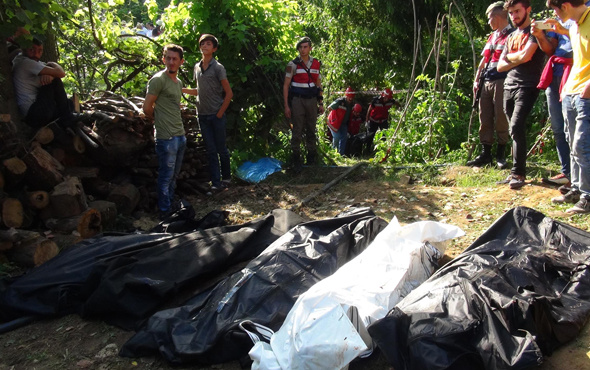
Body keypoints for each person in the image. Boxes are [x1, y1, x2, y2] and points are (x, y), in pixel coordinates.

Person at [496, 0, 546, 189]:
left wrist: (510, 57)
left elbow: (527, 56)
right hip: (509, 84)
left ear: (528, 9)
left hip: (528, 85)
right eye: (511, 13)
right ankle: (515, 172)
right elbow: (500, 66)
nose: (514, 16)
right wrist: (514, 58)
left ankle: (519, 172)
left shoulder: (535, 33)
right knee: (513, 129)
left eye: (517, 11)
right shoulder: (511, 36)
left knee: (517, 126)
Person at [546, 0, 590, 213]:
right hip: (572, 90)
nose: (554, 13)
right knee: (572, 143)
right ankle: (577, 189)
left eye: (555, 9)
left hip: (586, 93)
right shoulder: (574, 25)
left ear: (565, 5)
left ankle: (589, 196)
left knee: (583, 144)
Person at [183, 34, 233, 192]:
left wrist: (220, 113)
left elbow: (229, 93)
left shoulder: (218, 67)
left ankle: (226, 179)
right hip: (202, 115)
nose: (204, 46)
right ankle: (216, 183)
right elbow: (199, 91)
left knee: (221, 149)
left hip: (216, 115)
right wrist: (181, 89)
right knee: (210, 150)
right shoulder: (197, 67)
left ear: (214, 48)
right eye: (202, 44)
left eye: (208, 44)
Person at [142, 44, 187, 220]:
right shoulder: (158, 79)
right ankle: (164, 211)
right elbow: (147, 107)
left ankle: (170, 205)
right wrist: (160, 121)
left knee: (174, 175)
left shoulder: (178, 83)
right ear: (163, 59)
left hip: (179, 134)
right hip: (166, 137)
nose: (171, 62)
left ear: (181, 62)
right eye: (168, 58)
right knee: (166, 176)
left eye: (175, 59)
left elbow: (173, 106)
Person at [467, 2, 514, 168]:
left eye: (490, 18)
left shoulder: (513, 35)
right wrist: (476, 78)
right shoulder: (493, 36)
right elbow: (484, 59)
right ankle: (485, 154)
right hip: (486, 81)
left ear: (498, 16)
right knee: (484, 116)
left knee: (501, 116)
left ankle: (501, 154)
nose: (488, 22)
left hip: (502, 80)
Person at [534, 13, 576, 189]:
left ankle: (581, 178)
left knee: (574, 129)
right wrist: (540, 35)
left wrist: (565, 31)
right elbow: (550, 48)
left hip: (576, 72)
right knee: (558, 128)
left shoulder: (585, 10)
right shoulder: (560, 13)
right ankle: (568, 173)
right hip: (556, 73)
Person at [12, 37, 76, 128]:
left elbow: (53, 70)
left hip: (37, 111)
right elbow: (61, 73)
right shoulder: (25, 63)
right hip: (34, 113)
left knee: (69, 103)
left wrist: (50, 71)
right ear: (24, 49)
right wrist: (52, 71)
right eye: (32, 50)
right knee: (55, 81)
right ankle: (68, 119)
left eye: (40, 51)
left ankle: (66, 116)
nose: (36, 54)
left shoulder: (25, 60)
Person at [283, 36, 324, 172]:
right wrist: (286, 105)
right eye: (300, 47)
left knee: (311, 128)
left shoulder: (316, 64)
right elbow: (286, 85)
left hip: (312, 100)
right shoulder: (292, 64)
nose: (303, 49)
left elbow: (318, 84)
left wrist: (321, 102)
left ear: (310, 48)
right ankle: (296, 160)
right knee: (297, 129)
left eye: (305, 47)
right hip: (298, 100)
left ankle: (311, 158)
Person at [326, 87, 355, 154]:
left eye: (352, 97)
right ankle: (333, 153)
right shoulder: (339, 101)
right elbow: (329, 108)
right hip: (333, 123)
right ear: (346, 96)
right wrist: (332, 118)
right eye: (349, 97)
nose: (350, 98)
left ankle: (340, 154)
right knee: (337, 137)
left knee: (344, 138)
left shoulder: (351, 104)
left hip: (343, 123)